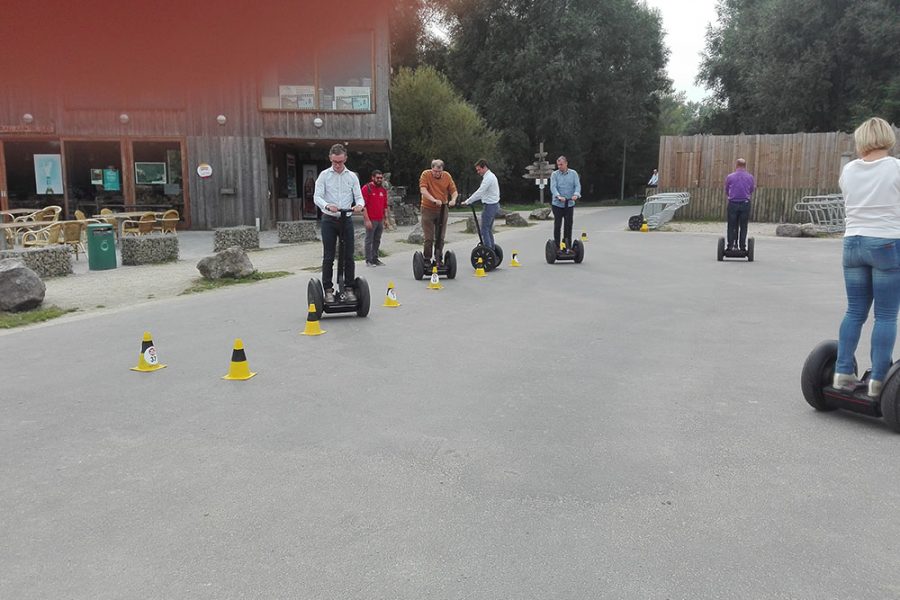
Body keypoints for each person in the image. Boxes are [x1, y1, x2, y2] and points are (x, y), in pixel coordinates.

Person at [833, 117, 900, 398]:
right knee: (885, 315)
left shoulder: (848, 171)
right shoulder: (896, 168)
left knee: (855, 311)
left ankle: (842, 372)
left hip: (853, 242)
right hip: (886, 242)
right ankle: (879, 379)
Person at [313, 144, 365, 303]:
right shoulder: (324, 176)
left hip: (346, 219)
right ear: (330, 158)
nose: (337, 165)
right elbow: (317, 196)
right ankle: (328, 290)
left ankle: (349, 288)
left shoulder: (352, 177)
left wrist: (359, 205)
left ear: (345, 159)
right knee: (329, 256)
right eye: (335, 162)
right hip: (329, 219)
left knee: (349, 256)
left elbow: (359, 196)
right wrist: (327, 205)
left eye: (340, 162)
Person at [419, 159, 458, 265]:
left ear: (442, 170)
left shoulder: (447, 176)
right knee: (429, 238)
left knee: (440, 237)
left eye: (439, 172)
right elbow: (423, 190)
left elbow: (454, 191)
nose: (437, 173)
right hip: (428, 208)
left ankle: (438, 257)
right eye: (435, 171)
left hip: (442, 209)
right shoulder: (426, 174)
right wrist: (433, 200)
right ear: (432, 169)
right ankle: (427, 258)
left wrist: (453, 200)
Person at [462, 159, 500, 251]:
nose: (478, 172)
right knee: (488, 229)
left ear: (484, 167)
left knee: (484, 229)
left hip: (490, 206)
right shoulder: (490, 176)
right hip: (494, 205)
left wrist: (468, 201)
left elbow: (480, 192)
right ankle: (492, 249)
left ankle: (488, 250)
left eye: (479, 169)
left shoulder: (488, 178)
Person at [549, 155, 581, 248]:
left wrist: (576, 194)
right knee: (558, 225)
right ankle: (557, 245)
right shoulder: (555, 174)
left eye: (561, 164)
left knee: (568, 225)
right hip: (557, 204)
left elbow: (577, 185)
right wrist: (558, 196)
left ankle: (567, 245)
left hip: (569, 203)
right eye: (558, 165)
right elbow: (553, 187)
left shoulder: (573, 173)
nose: (559, 167)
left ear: (566, 163)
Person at [724, 158, 755, 251]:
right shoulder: (750, 177)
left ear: (736, 165)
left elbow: (727, 189)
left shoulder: (730, 177)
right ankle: (742, 246)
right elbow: (751, 189)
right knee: (743, 225)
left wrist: (731, 195)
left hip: (733, 203)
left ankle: (730, 245)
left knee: (731, 225)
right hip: (745, 203)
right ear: (745, 166)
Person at [362, 169, 389, 266]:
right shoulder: (366, 188)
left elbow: (385, 206)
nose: (379, 180)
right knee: (369, 239)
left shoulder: (383, 190)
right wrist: (367, 220)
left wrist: (386, 219)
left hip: (380, 219)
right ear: (372, 178)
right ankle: (368, 260)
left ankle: (375, 258)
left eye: (381, 178)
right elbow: (363, 206)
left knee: (377, 240)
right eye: (377, 178)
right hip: (371, 219)